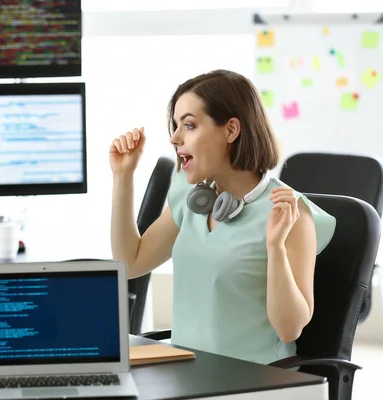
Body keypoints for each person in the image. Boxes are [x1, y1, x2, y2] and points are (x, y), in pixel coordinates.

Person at [109, 69, 336, 365]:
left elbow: (289, 329)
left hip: (254, 383)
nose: (174, 137)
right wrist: (122, 176)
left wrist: (275, 247)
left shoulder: (290, 214)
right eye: (175, 126)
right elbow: (131, 263)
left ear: (231, 130)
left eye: (189, 125)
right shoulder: (192, 200)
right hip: (188, 375)